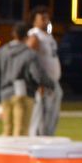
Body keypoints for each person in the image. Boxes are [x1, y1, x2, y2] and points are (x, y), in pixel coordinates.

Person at [0, 22, 41, 138]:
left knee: (7, 130)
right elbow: (36, 75)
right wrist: (43, 84)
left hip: (5, 92)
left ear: (13, 34)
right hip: (23, 93)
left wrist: (5, 77)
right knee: (21, 131)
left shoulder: (3, 50)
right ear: (26, 36)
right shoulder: (29, 53)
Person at [26, 8, 63, 137]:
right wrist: (38, 81)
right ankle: (37, 139)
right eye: (42, 18)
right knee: (40, 114)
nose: (46, 21)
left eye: (47, 18)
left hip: (53, 81)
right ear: (34, 21)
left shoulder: (48, 35)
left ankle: (48, 137)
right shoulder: (34, 36)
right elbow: (30, 60)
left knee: (52, 114)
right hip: (43, 82)